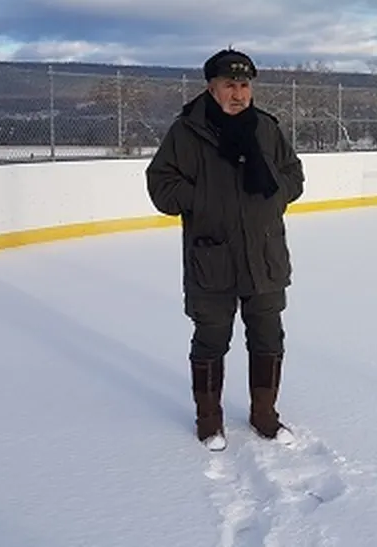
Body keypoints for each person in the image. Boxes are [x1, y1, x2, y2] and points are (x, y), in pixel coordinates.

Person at [145, 48, 305, 451]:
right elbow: (161, 185)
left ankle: (264, 416)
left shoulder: (266, 129)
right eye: (230, 85)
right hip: (212, 258)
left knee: (268, 337)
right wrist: (204, 201)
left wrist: (277, 196)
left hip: (265, 257)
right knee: (211, 339)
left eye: (245, 85)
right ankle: (209, 419)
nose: (239, 93)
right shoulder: (187, 132)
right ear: (211, 87)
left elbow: (293, 173)